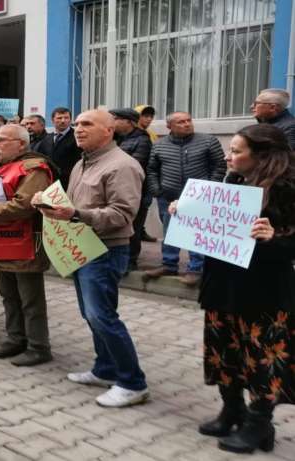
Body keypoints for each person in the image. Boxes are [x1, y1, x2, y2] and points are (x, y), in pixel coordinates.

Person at [177, 124, 293, 454]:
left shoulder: (287, 189)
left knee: (260, 359)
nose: (229, 156)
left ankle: (259, 425)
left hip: (264, 291)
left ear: (262, 156)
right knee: (224, 352)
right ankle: (232, 410)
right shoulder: (233, 181)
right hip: (223, 285)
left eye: (237, 151)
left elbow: (288, 246)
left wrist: (275, 238)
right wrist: (186, 214)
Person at [33, 109, 149, 408]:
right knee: (91, 314)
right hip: (81, 245)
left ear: (109, 131)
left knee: (102, 316)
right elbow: (73, 203)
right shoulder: (82, 163)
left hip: (105, 249)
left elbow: (122, 214)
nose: (78, 129)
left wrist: (75, 214)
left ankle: (133, 383)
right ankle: (105, 369)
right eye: (76, 125)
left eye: (87, 124)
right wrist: (48, 202)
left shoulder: (122, 165)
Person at [0, 124, 54, 365]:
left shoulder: (34, 169)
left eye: (4, 140)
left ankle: (39, 347)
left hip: (24, 243)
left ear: (22, 144)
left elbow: (23, 207)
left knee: (30, 300)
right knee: (9, 295)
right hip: (1, 242)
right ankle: (15, 339)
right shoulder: (3, 170)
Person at [143, 112, 227, 286]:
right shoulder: (159, 145)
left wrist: (210, 188)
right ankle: (169, 264)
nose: (187, 124)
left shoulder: (208, 141)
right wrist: (157, 190)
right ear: (169, 126)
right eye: (181, 122)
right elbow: (151, 170)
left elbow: (219, 166)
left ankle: (196, 268)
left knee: (197, 232)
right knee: (170, 231)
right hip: (168, 196)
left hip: (200, 196)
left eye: (189, 120)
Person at [109, 108, 152, 272]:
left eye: (115, 119)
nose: (111, 123)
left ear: (128, 121)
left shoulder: (142, 140)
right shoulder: (115, 138)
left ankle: (130, 262)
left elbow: (134, 165)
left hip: (137, 192)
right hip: (115, 189)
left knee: (133, 227)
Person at [37, 107, 82, 189]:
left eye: (66, 118)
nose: (63, 121)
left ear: (70, 120)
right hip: (50, 182)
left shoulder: (77, 137)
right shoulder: (47, 139)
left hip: (70, 182)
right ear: (52, 120)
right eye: (59, 118)